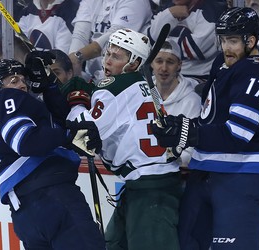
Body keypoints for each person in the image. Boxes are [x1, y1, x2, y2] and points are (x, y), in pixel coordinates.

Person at [151, 8, 259, 249]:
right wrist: (181, 126)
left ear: (251, 40)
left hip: (241, 178)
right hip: (204, 173)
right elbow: (211, 121)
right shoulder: (222, 64)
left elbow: (237, 133)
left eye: (233, 40)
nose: (226, 47)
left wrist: (187, 133)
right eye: (223, 40)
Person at [66, 28, 182, 250]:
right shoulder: (149, 86)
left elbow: (83, 138)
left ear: (135, 63)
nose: (107, 61)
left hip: (150, 189)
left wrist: (77, 103)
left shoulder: (114, 88)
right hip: (149, 183)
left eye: (116, 57)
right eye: (107, 54)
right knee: (114, 243)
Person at [0, 54, 106, 249]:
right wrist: (69, 137)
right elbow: (26, 141)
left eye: (24, 80)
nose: (22, 85)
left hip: (25, 211)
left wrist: (49, 87)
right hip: (52, 196)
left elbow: (59, 123)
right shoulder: (7, 97)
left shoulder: (3, 111)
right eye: (14, 80)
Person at [148, 0, 227, 87]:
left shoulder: (213, 9)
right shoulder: (167, 6)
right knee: (142, 93)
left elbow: (195, 49)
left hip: (197, 78)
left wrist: (161, 44)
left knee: (169, 93)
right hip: (161, 75)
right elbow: (151, 38)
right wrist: (170, 14)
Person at [68, 0, 152, 81]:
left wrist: (78, 57)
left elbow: (114, 39)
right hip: (93, 75)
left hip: (124, 77)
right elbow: (80, 35)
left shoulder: (137, 2)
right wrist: (72, 62)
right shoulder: (91, 1)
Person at [151, 38, 201, 166]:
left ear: (179, 65)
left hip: (175, 171)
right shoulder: (142, 93)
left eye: (170, 62)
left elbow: (190, 150)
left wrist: (162, 162)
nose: (164, 68)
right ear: (151, 63)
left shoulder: (192, 100)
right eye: (159, 61)